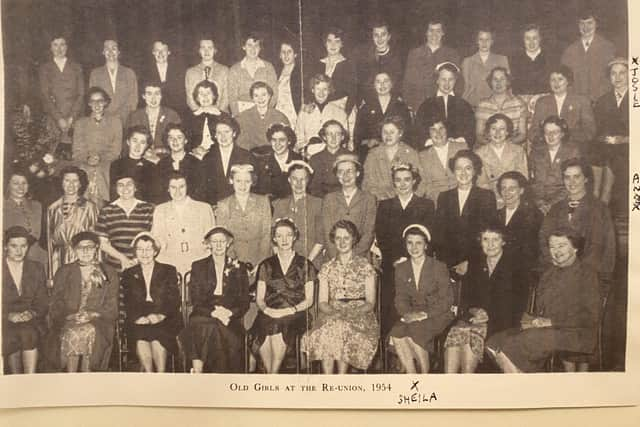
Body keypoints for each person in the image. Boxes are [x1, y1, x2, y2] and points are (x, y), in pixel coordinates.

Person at [486, 229, 600, 373]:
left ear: (575, 248)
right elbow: (542, 308)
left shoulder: (587, 274)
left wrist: (552, 322)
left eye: (561, 245)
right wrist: (531, 320)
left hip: (576, 333)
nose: (556, 251)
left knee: (520, 343)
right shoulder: (549, 273)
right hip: (549, 329)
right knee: (494, 341)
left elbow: (590, 316)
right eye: (552, 247)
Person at [444, 224, 526, 373]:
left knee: (471, 335)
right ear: (480, 242)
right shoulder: (476, 264)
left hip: (502, 320)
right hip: (475, 317)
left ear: (503, 241)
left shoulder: (516, 266)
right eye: (485, 239)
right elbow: (467, 297)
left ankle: (467, 380)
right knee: (456, 331)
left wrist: (488, 315)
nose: (490, 244)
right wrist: (476, 311)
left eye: (495, 239)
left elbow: (517, 304)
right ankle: (450, 383)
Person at [302, 220, 379, 373]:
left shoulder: (365, 266)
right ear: (333, 240)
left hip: (360, 314)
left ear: (354, 239)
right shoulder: (327, 268)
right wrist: (334, 312)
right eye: (338, 238)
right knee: (328, 330)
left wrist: (350, 313)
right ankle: (329, 381)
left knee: (341, 328)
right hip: (332, 312)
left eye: (346, 238)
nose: (342, 242)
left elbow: (370, 302)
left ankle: (341, 380)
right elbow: (323, 302)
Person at [179, 226, 250, 373]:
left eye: (222, 241)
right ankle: (205, 373)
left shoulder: (239, 267)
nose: (218, 245)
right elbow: (196, 299)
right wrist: (214, 312)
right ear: (208, 244)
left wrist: (229, 313)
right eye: (214, 241)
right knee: (204, 325)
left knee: (215, 328)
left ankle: (199, 371)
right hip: (204, 312)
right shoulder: (198, 266)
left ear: (228, 243)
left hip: (228, 314)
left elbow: (244, 301)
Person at [375, 163, 435, 335]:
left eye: (407, 180)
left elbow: (428, 236)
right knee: (391, 306)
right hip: (392, 265)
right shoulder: (385, 206)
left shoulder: (426, 205)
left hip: (417, 263)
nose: (402, 184)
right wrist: (396, 260)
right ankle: (391, 349)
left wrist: (409, 260)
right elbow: (382, 237)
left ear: (414, 181)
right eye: (398, 180)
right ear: (393, 183)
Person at [46, 231, 119, 372]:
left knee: (86, 332)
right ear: (74, 250)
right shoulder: (64, 271)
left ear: (96, 248)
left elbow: (112, 305)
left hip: (99, 321)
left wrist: (91, 315)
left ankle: (87, 377)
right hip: (67, 320)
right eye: (81, 247)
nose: (85, 251)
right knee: (73, 332)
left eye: (90, 247)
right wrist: (70, 316)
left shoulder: (108, 272)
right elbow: (55, 303)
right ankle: (71, 377)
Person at [250, 218, 316, 373]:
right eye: (279, 236)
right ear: (274, 239)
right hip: (269, 312)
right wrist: (267, 310)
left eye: (288, 235)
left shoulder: (305, 264)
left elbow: (309, 300)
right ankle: (272, 373)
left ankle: (272, 375)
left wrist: (289, 310)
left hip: (296, 314)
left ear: (294, 237)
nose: (284, 239)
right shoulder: (266, 265)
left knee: (277, 324)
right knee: (266, 323)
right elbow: (259, 298)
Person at [538, 158, 616, 284]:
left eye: (576, 177)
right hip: (556, 273)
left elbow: (605, 248)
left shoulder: (599, 209)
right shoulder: (556, 208)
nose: (572, 182)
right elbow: (543, 238)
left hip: (587, 276)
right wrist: (553, 260)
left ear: (586, 179)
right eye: (567, 177)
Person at [389, 225, 453, 373]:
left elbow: (447, 300)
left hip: (437, 314)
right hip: (412, 314)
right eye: (409, 243)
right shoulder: (401, 268)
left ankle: (425, 374)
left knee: (416, 331)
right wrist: (406, 314)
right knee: (396, 333)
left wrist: (424, 315)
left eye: (418, 243)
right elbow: (400, 297)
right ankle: (412, 376)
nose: (414, 247)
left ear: (426, 245)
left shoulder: (438, 267)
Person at [122, 232, 182, 373]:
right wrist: (138, 317)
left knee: (157, 338)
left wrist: (160, 315)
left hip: (165, 315)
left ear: (155, 251)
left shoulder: (168, 270)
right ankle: (149, 376)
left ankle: (160, 375)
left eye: (148, 249)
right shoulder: (129, 273)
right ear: (135, 252)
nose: (144, 253)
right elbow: (128, 301)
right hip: (139, 316)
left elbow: (173, 299)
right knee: (141, 337)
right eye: (140, 249)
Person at [433, 150, 497, 277]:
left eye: (468, 168)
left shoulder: (486, 197)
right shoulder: (444, 197)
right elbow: (439, 234)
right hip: (447, 264)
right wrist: (444, 265)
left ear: (475, 171)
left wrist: (470, 262)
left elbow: (487, 234)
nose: (463, 173)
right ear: (453, 171)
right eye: (458, 168)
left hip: (475, 263)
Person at [3, 226, 49, 374]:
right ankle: (15, 379)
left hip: (31, 320)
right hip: (4, 320)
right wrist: (8, 316)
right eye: (14, 246)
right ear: (5, 247)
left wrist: (32, 313)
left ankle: (30, 378)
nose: (19, 251)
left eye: (23, 246)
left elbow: (43, 301)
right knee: (9, 336)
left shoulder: (36, 268)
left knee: (28, 333)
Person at [151, 172, 215, 276]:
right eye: (173, 187)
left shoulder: (204, 208)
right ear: (167, 189)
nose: (177, 192)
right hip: (169, 263)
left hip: (198, 262)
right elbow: (157, 240)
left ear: (187, 187)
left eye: (181, 187)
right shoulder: (160, 210)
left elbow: (211, 240)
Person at [215, 164, 272, 273]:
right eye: (238, 181)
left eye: (247, 181)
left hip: (261, 260)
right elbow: (223, 239)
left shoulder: (263, 202)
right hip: (234, 263)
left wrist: (261, 263)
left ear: (252, 182)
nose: (243, 185)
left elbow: (266, 235)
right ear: (231, 181)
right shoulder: (223, 205)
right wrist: (235, 263)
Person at [72, 87, 122, 208]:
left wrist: (100, 158)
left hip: (107, 163)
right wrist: (88, 158)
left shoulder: (115, 122)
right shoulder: (80, 123)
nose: (97, 104)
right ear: (89, 104)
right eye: (93, 101)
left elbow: (116, 150)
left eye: (100, 101)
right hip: (85, 163)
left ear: (105, 102)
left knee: (99, 172)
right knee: (88, 171)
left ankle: (99, 209)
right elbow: (77, 151)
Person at [528, 65, 596, 155]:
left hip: (573, 147)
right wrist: (548, 139)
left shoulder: (581, 101)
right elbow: (533, 131)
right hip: (547, 147)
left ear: (568, 81)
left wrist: (564, 137)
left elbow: (590, 131)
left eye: (560, 79)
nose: (556, 83)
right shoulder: (542, 102)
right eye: (553, 80)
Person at [95, 173, 154, 271]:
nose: (125, 188)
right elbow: (102, 242)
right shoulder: (107, 210)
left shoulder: (148, 208)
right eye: (120, 185)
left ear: (135, 187)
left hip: (143, 265)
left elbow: (154, 239)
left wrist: (136, 260)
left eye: (129, 184)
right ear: (116, 188)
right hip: (115, 268)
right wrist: (123, 259)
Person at [321, 154, 377, 259]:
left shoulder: (369, 199)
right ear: (337, 175)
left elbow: (369, 232)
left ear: (358, 173)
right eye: (341, 172)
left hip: (360, 258)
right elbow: (327, 232)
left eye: (350, 171)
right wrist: (337, 258)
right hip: (333, 258)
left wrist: (353, 257)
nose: (345, 176)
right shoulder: (329, 199)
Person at [47, 166, 99, 275]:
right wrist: (51, 272)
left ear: (80, 184)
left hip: (83, 256)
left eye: (75, 181)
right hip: (59, 259)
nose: (71, 184)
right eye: (67, 180)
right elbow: (50, 241)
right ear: (61, 183)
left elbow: (96, 238)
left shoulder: (90, 207)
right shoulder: (53, 208)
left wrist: (97, 266)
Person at [38, 34, 84, 157]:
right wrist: (59, 119)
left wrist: (72, 117)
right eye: (55, 45)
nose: (59, 49)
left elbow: (81, 94)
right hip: (54, 119)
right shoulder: (45, 68)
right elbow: (45, 96)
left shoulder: (76, 67)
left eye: (62, 44)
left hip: (74, 118)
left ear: (67, 47)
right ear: (50, 48)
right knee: (52, 157)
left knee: (74, 154)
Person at [402, 19, 461, 113]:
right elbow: (407, 84)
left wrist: (452, 105)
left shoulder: (452, 54)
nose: (434, 34)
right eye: (431, 30)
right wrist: (409, 106)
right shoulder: (415, 54)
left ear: (443, 33)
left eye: (438, 31)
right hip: (419, 106)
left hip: (443, 107)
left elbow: (459, 83)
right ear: (426, 32)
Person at [272, 161, 324, 268]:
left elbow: (320, 240)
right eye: (295, 179)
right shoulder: (279, 204)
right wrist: (283, 261)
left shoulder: (318, 204)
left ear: (308, 181)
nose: (299, 184)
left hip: (310, 261)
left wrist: (306, 263)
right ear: (289, 180)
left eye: (303, 179)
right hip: (284, 261)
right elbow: (273, 237)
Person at [594, 58, 629, 213]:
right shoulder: (603, 101)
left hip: (631, 146)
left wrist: (625, 139)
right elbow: (600, 130)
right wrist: (606, 139)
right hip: (608, 146)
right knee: (595, 151)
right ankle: (597, 197)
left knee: (612, 156)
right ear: (609, 77)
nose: (618, 77)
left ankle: (603, 199)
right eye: (613, 74)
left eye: (622, 73)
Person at [413, 62, 475, 150]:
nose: (447, 84)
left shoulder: (464, 105)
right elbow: (419, 133)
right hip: (433, 150)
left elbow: (470, 133)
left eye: (451, 79)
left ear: (455, 80)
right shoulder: (426, 105)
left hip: (458, 150)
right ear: (437, 80)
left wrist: (457, 142)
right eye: (443, 79)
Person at [496, 171, 543, 287]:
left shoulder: (533, 215)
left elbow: (531, 250)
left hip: (521, 273)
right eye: (503, 188)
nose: (507, 193)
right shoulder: (495, 215)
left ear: (521, 190)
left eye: (512, 188)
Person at [354, 71, 412, 162]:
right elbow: (357, 137)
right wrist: (368, 141)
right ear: (373, 85)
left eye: (386, 81)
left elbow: (409, 134)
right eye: (378, 81)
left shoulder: (401, 107)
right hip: (372, 153)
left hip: (397, 152)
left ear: (391, 84)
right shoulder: (365, 108)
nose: (382, 85)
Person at [197, 116, 255, 205]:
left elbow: (254, 187)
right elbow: (203, 188)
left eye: (227, 132)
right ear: (215, 135)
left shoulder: (246, 156)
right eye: (219, 132)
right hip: (215, 207)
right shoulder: (208, 158)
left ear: (234, 133)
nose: (223, 136)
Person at [363, 115, 422, 201]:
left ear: (400, 134)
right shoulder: (373, 154)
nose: (388, 135)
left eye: (392, 132)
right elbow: (367, 183)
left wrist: (410, 200)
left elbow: (420, 182)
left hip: (405, 200)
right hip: (380, 201)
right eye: (385, 132)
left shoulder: (410, 153)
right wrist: (382, 198)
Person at [474, 114, 528, 208]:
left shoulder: (518, 151)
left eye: (502, 129)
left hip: (515, 199)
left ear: (507, 132)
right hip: (490, 200)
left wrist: (510, 197)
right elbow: (481, 183)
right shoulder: (479, 154)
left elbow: (523, 179)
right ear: (488, 131)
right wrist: (498, 198)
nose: (497, 133)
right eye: (493, 128)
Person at [530, 116, 581, 215]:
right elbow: (531, 181)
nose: (550, 136)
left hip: (564, 199)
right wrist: (539, 203)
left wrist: (551, 205)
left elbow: (573, 184)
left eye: (555, 132)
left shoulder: (572, 152)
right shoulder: (536, 151)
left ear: (562, 134)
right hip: (538, 201)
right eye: (547, 132)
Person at [561, 11, 616, 103]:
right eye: (582, 23)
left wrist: (595, 98)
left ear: (596, 24)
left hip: (602, 101)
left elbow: (611, 79)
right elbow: (565, 81)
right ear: (578, 25)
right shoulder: (569, 51)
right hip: (576, 103)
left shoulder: (608, 48)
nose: (585, 27)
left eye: (589, 23)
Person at [125, 81, 181, 161]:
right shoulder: (134, 116)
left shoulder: (172, 115)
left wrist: (160, 151)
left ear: (161, 96)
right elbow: (127, 144)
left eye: (157, 94)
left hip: (165, 158)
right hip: (139, 158)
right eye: (149, 94)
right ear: (143, 96)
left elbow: (179, 144)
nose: (153, 98)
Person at [416, 118, 468, 205]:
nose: (438, 133)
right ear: (428, 132)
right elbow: (425, 184)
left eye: (441, 128)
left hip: (463, 198)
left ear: (447, 130)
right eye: (433, 129)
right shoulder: (422, 156)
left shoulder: (462, 148)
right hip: (437, 202)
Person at [295, 74, 349, 155]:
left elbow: (344, 140)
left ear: (329, 90)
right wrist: (305, 150)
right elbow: (298, 138)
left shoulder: (340, 112)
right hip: (308, 155)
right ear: (313, 90)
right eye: (318, 89)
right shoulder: (304, 112)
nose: (321, 93)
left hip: (332, 154)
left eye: (325, 89)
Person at [307, 27, 358, 113]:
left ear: (342, 44)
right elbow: (311, 89)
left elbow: (353, 94)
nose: (333, 45)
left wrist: (346, 113)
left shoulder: (349, 65)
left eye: (337, 41)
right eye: (329, 41)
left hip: (341, 109)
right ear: (325, 43)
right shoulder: (317, 64)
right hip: (319, 109)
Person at [3, 168, 47, 264]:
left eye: (24, 183)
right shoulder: (3, 206)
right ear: (8, 185)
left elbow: (37, 234)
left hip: (35, 255)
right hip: (9, 255)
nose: (20, 187)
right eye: (16, 183)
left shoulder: (36, 205)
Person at [228, 33, 278, 116]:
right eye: (249, 45)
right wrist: (239, 117)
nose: (253, 49)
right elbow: (232, 97)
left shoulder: (268, 67)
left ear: (260, 48)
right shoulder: (235, 69)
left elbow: (274, 94)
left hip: (264, 111)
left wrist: (266, 113)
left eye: (256, 45)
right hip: (242, 112)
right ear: (244, 47)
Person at [89, 39, 138, 125]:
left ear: (118, 52)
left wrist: (121, 117)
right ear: (103, 52)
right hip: (103, 120)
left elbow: (133, 100)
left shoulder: (129, 73)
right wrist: (106, 116)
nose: (111, 51)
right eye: (107, 49)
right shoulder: (95, 74)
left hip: (125, 121)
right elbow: (94, 100)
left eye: (114, 48)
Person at [475, 67, 528, 146]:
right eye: (495, 79)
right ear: (490, 82)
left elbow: (522, 134)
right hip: (488, 147)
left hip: (512, 146)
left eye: (502, 79)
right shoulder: (482, 105)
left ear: (507, 82)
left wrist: (506, 146)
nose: (498, 83)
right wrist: (492, 146)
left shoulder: (519, 103)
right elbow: (479, 135)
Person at [356, 20, 404, 104]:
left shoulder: (397, 57)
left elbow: (399, 85)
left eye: (383, 34)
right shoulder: (366, 57)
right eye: (376, 35)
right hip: (370, 100)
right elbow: (363, 84)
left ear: (389, 36)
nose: (379, 38)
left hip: (391, 101)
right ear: (372, 37)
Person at [109, 125, 160, 203]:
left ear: (146, 146)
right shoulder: (116, 165)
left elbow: (153, 196)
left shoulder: (151, 167)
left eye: (142, 142)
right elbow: (114, 195)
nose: (138, 146)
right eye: (135, 141)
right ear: (128, 142)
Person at [235, 81, 290, 152]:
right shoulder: (243, 117)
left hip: (275, 155)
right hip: (251, 156)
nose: (260, 99)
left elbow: (286, 142)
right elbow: (241, 143)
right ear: (252, 98)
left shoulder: (280, 117)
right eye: (256, 96)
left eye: (263, 95)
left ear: (269, 96)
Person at [461, 29, 510, 108]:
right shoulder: (467, 62)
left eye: (487, 39)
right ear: (477, 41)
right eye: (481, 39)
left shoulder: (502, 60)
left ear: (492, 41)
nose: (484, 43)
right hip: (473, 106)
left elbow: (507, 86)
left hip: (496, 106)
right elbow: (466, 88)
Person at [510, 24, 554, 108]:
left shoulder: (550, 58)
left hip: (545, 102)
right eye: (527, 38)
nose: (531, 42)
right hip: (521, 104)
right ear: (523, 40)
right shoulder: (514, 60)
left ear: (540, 39)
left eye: (534, 38)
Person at [254, 123, 302, 200]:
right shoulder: (263, 161)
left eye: (282, 140)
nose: (277, 144)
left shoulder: (297, 159)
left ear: (289, 141)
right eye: (274, 140)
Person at [184, 80, 231, 159]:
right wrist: (194, 149)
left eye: (208, 93)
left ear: (214, 96)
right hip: (195, 155)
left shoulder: (224, 117)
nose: (205, 97)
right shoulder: (190, 118)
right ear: (197, 98)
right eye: (201, 94)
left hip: (218, 155)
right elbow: (185, 140)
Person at [155, 124, 201, 203]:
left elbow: (200, 192)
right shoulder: (161, 165)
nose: (175, 141)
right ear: (167, 141)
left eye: (179, 137)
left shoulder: (196, 163)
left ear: (185, 140)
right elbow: (159, 193)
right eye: (171, 138)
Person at [307, 120, 351, 198]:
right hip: (322, 201)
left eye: (337, 134)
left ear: (342, 137)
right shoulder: (316, 159)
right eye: (329, 134)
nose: (333, 138)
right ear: (324, 137)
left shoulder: (350, 157)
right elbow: (313, 188)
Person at [140, 40, 186, 115]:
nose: (160, 53)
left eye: (163, 50)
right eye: (157, 50)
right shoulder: (145, 71)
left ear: (169, 52)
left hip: (175, 111)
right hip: (153, 111)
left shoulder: (179, 70)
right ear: (153, 52)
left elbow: (181, 96)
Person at [185, 37, 229, 112]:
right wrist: (199, 112)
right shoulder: (191, 72)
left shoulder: (224, 70)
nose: (206, 51)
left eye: (210, 47)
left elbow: (226, 97)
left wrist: (217, 112)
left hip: (220, 113)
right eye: (203, 48)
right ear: (199, 50)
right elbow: (190, 98)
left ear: (215, 50)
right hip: (198, 114)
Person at [276, 40, 303, 128]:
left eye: (289, 52)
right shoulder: (276, 72)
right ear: (280, 55)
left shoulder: (300, 72)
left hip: (294, 113)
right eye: (283, 52)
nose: (286, 55)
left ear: (295, 54)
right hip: (279, 112)